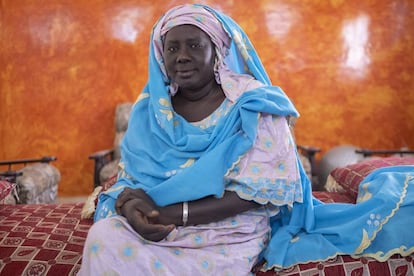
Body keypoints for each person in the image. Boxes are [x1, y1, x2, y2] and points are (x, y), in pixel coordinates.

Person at [79, 4, 414, 275]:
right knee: (103, 237)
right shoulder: (149, 111)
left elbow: (258, 193)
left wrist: (173, 213)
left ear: (219, 51)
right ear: (160, 56)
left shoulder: (254, 106)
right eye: (171, 47)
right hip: (158, 221)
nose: (181, 56)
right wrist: (132, 205)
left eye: (195, 45)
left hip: (228, 228)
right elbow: (133, 179)